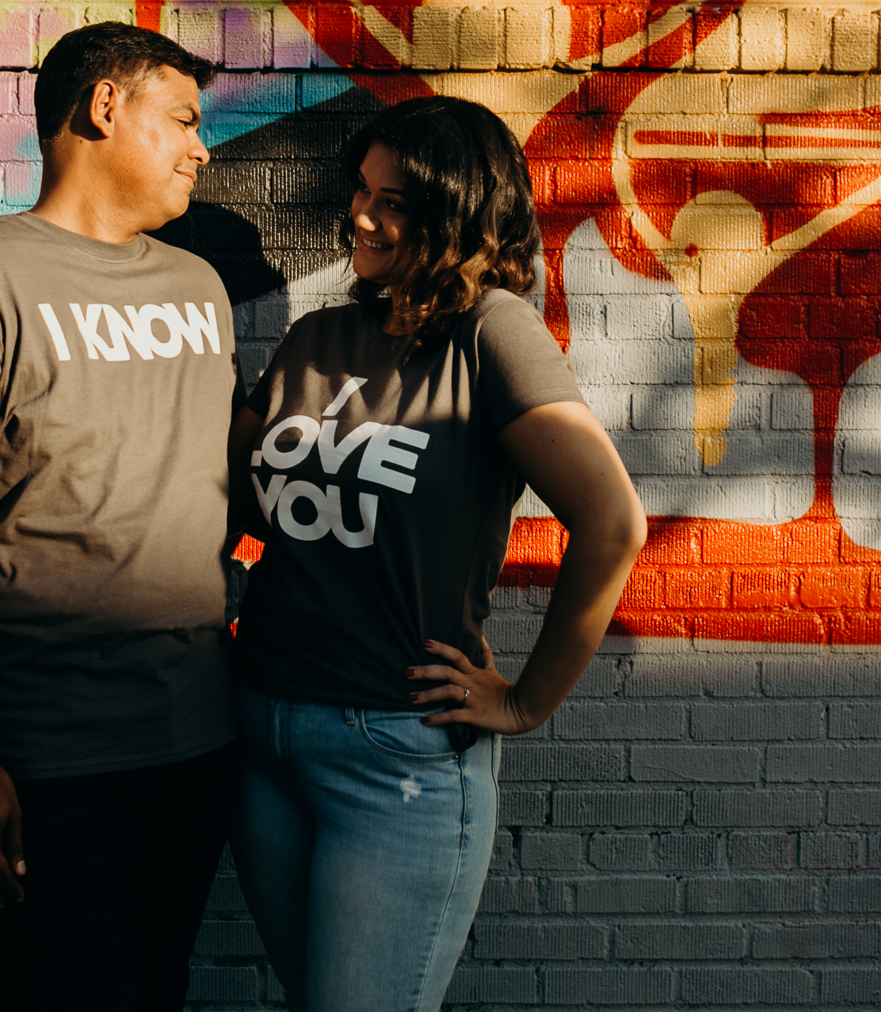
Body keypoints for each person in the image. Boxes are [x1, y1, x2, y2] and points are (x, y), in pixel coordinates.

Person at [227, 95, 648, 1012]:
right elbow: (233, 493)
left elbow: (612, 521)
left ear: (459, 213)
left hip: (394, 756)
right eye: (362, 192)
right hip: (261, 733)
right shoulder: (314, 338)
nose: (363, 216)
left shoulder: (492, 332)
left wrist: (527, 699)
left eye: (397, 202)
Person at [0, 21, 241, 1011]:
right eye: (184, 118)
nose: (202, 147)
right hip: (45, 771)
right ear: (103, 108)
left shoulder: (197, 287)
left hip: (199, 747)